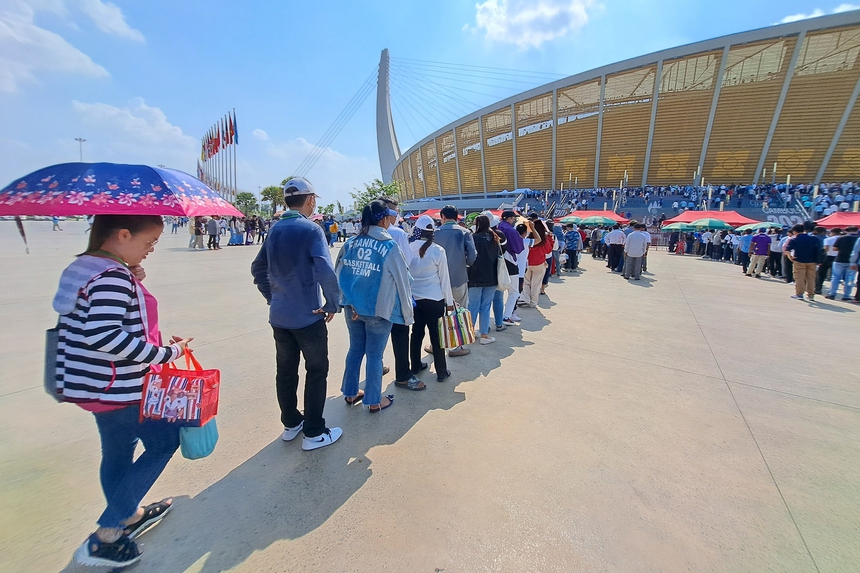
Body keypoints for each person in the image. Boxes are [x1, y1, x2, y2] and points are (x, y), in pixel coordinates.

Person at [52, 215, 193, 567]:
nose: (151, 250)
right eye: (149, 242)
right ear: (124, 234)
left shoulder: (86, 267)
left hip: (89, 384)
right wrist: (167, 353)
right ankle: (108, 533)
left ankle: (128, 514)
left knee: (117, 451)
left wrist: (130, 276)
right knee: (164, 442)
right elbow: (104, 335)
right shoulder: (112, 276)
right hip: (118, 386)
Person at [250, 177, 343, 450]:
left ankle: (291, 423)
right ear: (311, 200)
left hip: (280, 316)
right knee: (317, 370)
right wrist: (332, 302)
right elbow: (324, 269)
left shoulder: (275, 230)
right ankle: (314, 432)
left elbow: (258, 269)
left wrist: (272, 296)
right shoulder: (311, 230)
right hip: (308, 316)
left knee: (286, 371)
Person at [335, 200, 414, 412]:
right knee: (374, 356)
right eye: (390, 216)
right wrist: (407, 312)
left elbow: (339, 274)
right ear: (383, 217)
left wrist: (346, 301)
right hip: (379, 310)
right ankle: (373, 400)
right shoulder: (389, 246)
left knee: (355, 350)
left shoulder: (350, 243)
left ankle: (350, 393)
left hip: (352, 308)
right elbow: (403, 280)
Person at [378, 196, 418, 389]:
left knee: (375, 334)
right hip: (395, 291)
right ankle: (402, 374)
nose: (397, 216)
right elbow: (406, 263)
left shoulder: (364, 235)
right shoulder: (398, 234)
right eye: (395, 212)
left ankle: (376, 367)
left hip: (374, 293)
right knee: (400, 333)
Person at [408, 215, 453, 383]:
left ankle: (415, 366)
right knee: (436, 335)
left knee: (416, 333)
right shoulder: (437, 250)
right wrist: (449, 302)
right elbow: (444, 278)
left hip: (414, 300)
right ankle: (441, 372)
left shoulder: (408, 248)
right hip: (435, 299)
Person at [433, 205, 477, 357]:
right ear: (457, 216)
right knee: (459, 312)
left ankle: (436, 345)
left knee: (438, 315)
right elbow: (472, 256)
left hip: (437, 281)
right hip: (458, 277)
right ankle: (457, 347)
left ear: (442, 216)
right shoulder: (465, 232)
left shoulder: (435, 233)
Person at [467, 214, 501, 345]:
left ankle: (470, 333)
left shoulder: (473, 238)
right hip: (491, 277)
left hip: (475, 276)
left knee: (472, 306)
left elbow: (469, 257)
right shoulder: (494, 238)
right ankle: (484, 335)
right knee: (486, 306)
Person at [498, 210, 524, 324]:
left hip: (497, 261)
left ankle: (500, 317)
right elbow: (519, 247)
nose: (514, 221)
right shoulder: (510, 230)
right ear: (509, 218)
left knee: (497, 292)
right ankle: (507, 315)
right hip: (509, 261)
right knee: (513, 291)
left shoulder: (497, 227)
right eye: (513, 219)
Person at [785, 224, 819, 301]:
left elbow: (787, 250)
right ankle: (811, 295)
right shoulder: (814, 238)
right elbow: (819, 249)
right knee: (811, 278)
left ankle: (799, 294)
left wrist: (791, 257)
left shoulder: (794, 240)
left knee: (799, 278)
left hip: (799, 260)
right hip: (812, 261)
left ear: (794, 231)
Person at [521, 219, 549, 307]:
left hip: (528, 263)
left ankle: (525, 298)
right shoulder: (544, 239)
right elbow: (548, 251)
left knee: (526, 282)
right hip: (539, 263)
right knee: (536, 284)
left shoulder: (528, 239)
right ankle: (533, 302)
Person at [827, 226, 859, 300]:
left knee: (835, 277)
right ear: (856, 230)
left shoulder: (841, 238)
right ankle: (846, 295)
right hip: (853, 262)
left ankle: (832, 293)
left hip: (839, 259)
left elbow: (835, 248)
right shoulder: (858, 239)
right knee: (849, 278)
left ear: (847, 231)